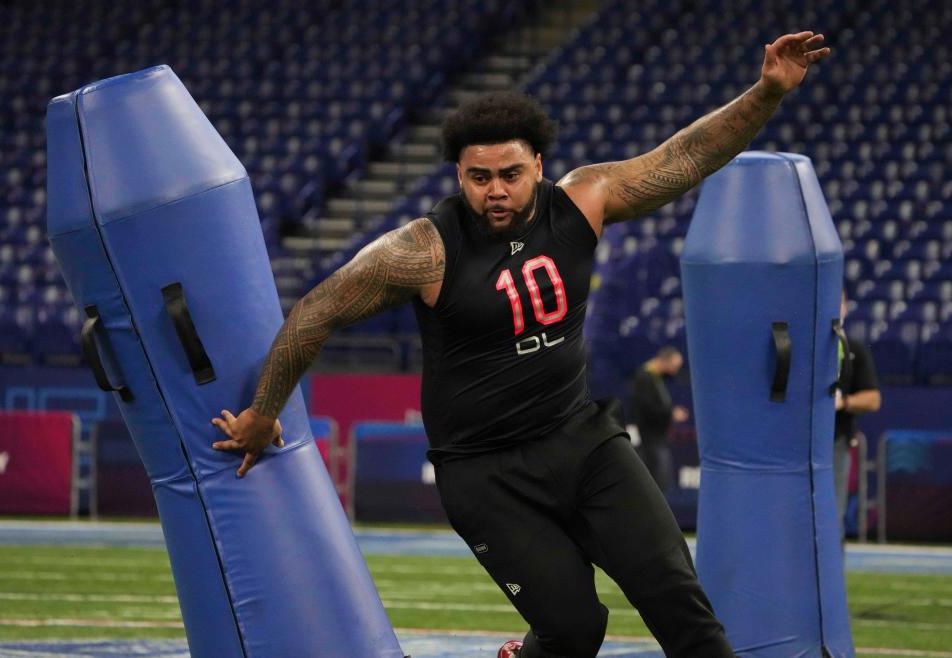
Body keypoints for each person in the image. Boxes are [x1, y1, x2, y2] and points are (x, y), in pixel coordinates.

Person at [210, 31, 830, 658]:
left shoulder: (583, 201)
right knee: (574, 630)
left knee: (681, 603)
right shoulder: (423, 249)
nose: (496, 191)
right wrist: (264, 414)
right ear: (459, 175)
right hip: (485, 475)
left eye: (510, 174)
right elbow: (315, 313)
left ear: (538, 165)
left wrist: (766, 93)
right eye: (479, 178)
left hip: (582, 442)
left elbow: (687, 156)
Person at [834, 289, 881, 542]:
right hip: (794, 446)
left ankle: (830, 581)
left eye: (838, 302)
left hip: (835, 441)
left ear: (845, 307)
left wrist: (843, 402)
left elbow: (873, 399)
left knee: (832, 516)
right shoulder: (800, 346)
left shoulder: (854, 350)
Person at [628, 346, 689, 494]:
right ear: (663, 361)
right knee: (657, 482)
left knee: (661, 480)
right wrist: (671, 413)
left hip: (658, 439)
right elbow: (648, 408)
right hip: (651, 439)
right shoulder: (645, 377)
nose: (674, 371)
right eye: (673, 366)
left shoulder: (655, 377)